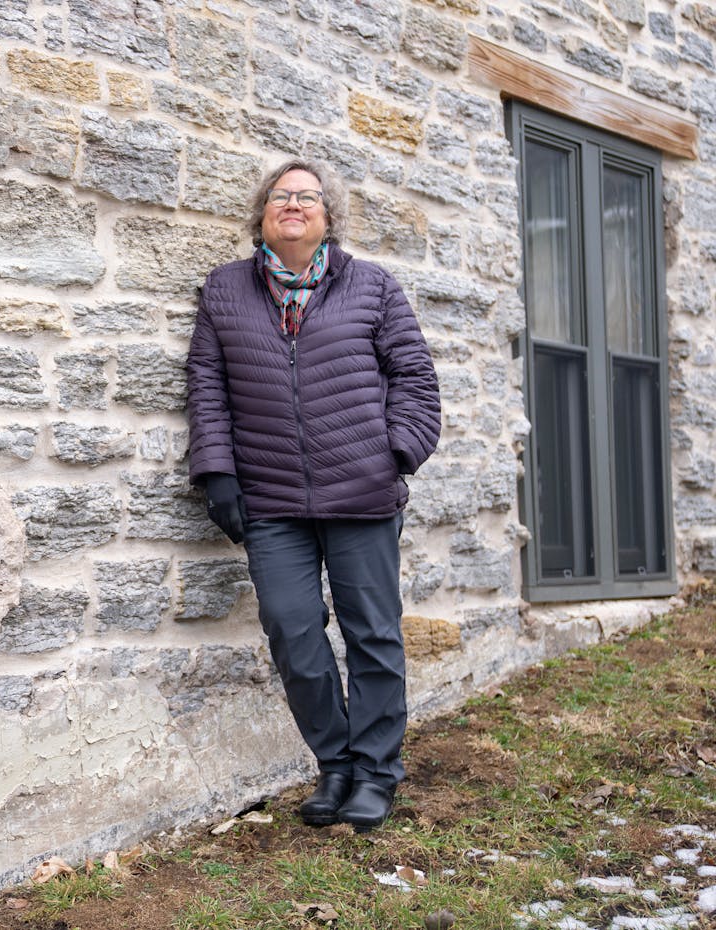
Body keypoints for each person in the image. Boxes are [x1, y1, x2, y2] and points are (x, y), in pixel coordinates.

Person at [185, 160, 441, 831]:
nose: (292, 205)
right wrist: (217, 473)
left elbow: (415, 378)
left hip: (362, 494)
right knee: (294, 633)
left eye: (306, 197)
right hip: (270, 501)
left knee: (373, 636)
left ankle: (376, 771)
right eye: (279, 196)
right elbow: (207, 388)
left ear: (329, 216)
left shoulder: (372, 287)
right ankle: (337, 762)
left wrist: (395, 454)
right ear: (261, 214)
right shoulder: (225, 291)